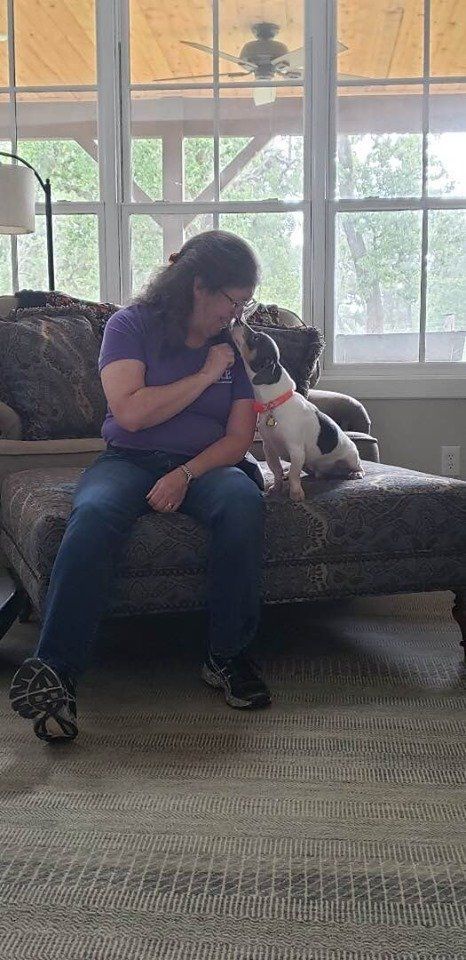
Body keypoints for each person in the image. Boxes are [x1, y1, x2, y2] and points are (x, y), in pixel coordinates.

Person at [9, 230, 270, 743]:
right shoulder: (130, 326)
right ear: (200, 285)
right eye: (234, 300)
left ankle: (227, 656)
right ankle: (56, 675)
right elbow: (130, 413)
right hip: (128, 458)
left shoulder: (231, 347)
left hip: (207, 466)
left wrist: (185, 474)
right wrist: (205, 376)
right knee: (93, 514)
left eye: (245, 304)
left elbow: (239, 439)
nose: (237, 314)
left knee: (242, 502)